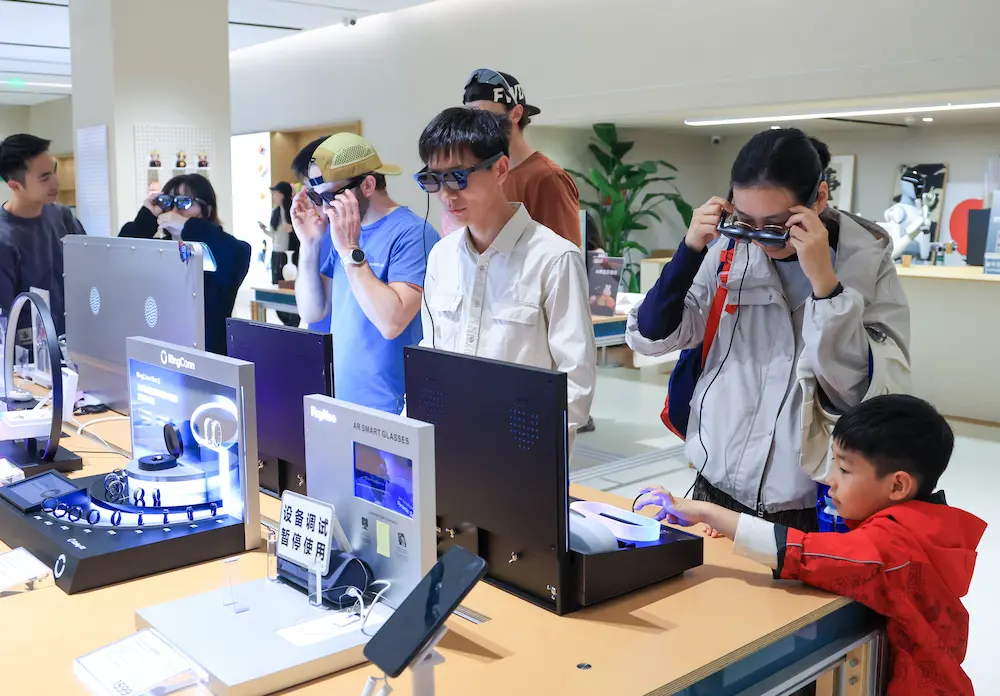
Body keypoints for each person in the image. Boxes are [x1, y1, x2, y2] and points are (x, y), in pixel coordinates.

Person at [627, 128, 910, 531]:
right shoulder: (728, 249)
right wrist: (689, 250)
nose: (759, 239)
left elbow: (859, 393)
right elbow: (653, 336)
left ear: (820, 198)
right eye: (745, 222)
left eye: (777, 226)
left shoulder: (865, 266)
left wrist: (827, 288)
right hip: (714, 487)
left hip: (806, 506)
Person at [636, 395, 985, 696]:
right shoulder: (927, 525)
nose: (829, 480)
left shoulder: (892, 549)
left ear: (897, 486)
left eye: (845, 470)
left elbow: (807, 554)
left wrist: (706, 511)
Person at [416, 107, 596, 441]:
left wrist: (524, 446)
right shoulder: (441, 256)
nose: (446, 194)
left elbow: (576, 386)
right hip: (449, 445)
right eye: (433, 179)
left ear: (500, 169)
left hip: (523, 457)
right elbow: (432, 359)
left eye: (458, 177)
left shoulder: (554, 259)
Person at [291, 133, 438, 415]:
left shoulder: (412, 233)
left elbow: (392, 322)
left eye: (329, 197)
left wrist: (350, 250)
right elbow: (314, 311)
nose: (322, 208)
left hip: (389, 406)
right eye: (314, 197)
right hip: (340, 396)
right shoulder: (340, 232)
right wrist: (309, 244)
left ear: (368, 184)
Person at [119, 173, 251, 355]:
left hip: (207, 355)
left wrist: (188, 227)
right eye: (168, 202)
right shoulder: (159, 250)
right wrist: (145, 219)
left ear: (207, 210)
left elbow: (237, 254)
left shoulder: (222, 249)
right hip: (159, 352)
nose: (174, 210)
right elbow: (120, 260)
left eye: (184, 202)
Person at [462, 69, 581, 248]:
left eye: (485, 116)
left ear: (516, 114)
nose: (476, 127)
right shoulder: (481, 175)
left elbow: (564, 259)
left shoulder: (547, 178)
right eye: (470, 117)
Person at [0, 133, 86, 340]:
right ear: (15, 186)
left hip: (74, 343)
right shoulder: (5, 239)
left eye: (54, 172)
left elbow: (88, 271)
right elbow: (5, 318)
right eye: (45, 177)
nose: (56, 182)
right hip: (27, 359)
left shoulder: (63, 216)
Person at [260, 181, 299, 326]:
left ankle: (293, 320)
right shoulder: (275, 212)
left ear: (282, 195)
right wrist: (264, 230)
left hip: (290, 253)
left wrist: (293, 229)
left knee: (290, 285)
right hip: (276, 252)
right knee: (276, 284)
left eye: (276, 194)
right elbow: (275, 235)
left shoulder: (293, 210)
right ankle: (285, 319)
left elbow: (296, 233)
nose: (274, 197)